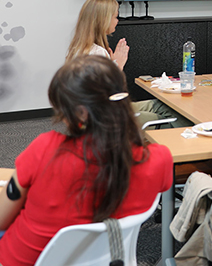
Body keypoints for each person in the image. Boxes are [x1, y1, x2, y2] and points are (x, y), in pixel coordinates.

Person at [0, 55, 173, 266]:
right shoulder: (159, 159)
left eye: (62, 108)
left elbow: (2, 218)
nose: (61, 117)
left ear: (80, 114)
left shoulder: (44, 149)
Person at [66, 0, 191, 128]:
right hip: (106, 119)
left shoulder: (79, 49)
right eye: (115, 17)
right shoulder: (97, 53)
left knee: (161, 105)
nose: (117, 20)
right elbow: (112, 95)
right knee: (177, 120)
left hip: (93, 115)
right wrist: (117, 66)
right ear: (104, 20)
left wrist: (112, 65)